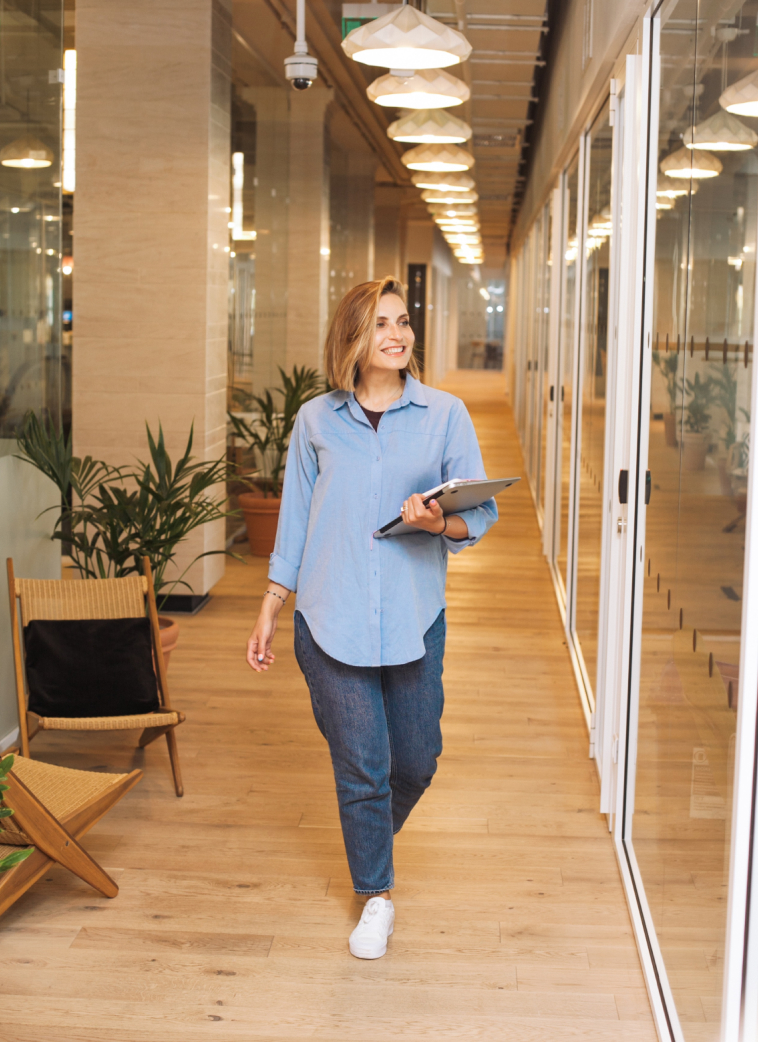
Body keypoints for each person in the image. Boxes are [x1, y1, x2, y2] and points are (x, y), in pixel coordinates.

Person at [246, 276, 497, 959]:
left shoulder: (444, 414)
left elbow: (480, 513)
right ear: (352, 339)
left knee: (415, 762)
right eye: (380, 323)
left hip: (415, 618)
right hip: (330, 619)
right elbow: (295, 520)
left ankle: (368, 841)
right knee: (364, 767)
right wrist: (271, 606)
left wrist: (439, 518)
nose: (397, 334)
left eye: (403, 321)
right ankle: (376, 895)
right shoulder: (316, 421)